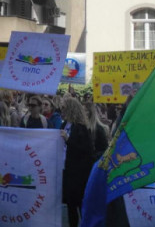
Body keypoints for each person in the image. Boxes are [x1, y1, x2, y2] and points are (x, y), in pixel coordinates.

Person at [60, 97, 94, 227]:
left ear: (71, 109)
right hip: (67, 171)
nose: (61, 110)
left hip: (78, 174)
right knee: (70, 205)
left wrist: (68, 140)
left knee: (80, 204)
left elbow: (87, 150)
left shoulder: (81, 128)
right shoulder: (64, 125)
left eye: (64, 108)